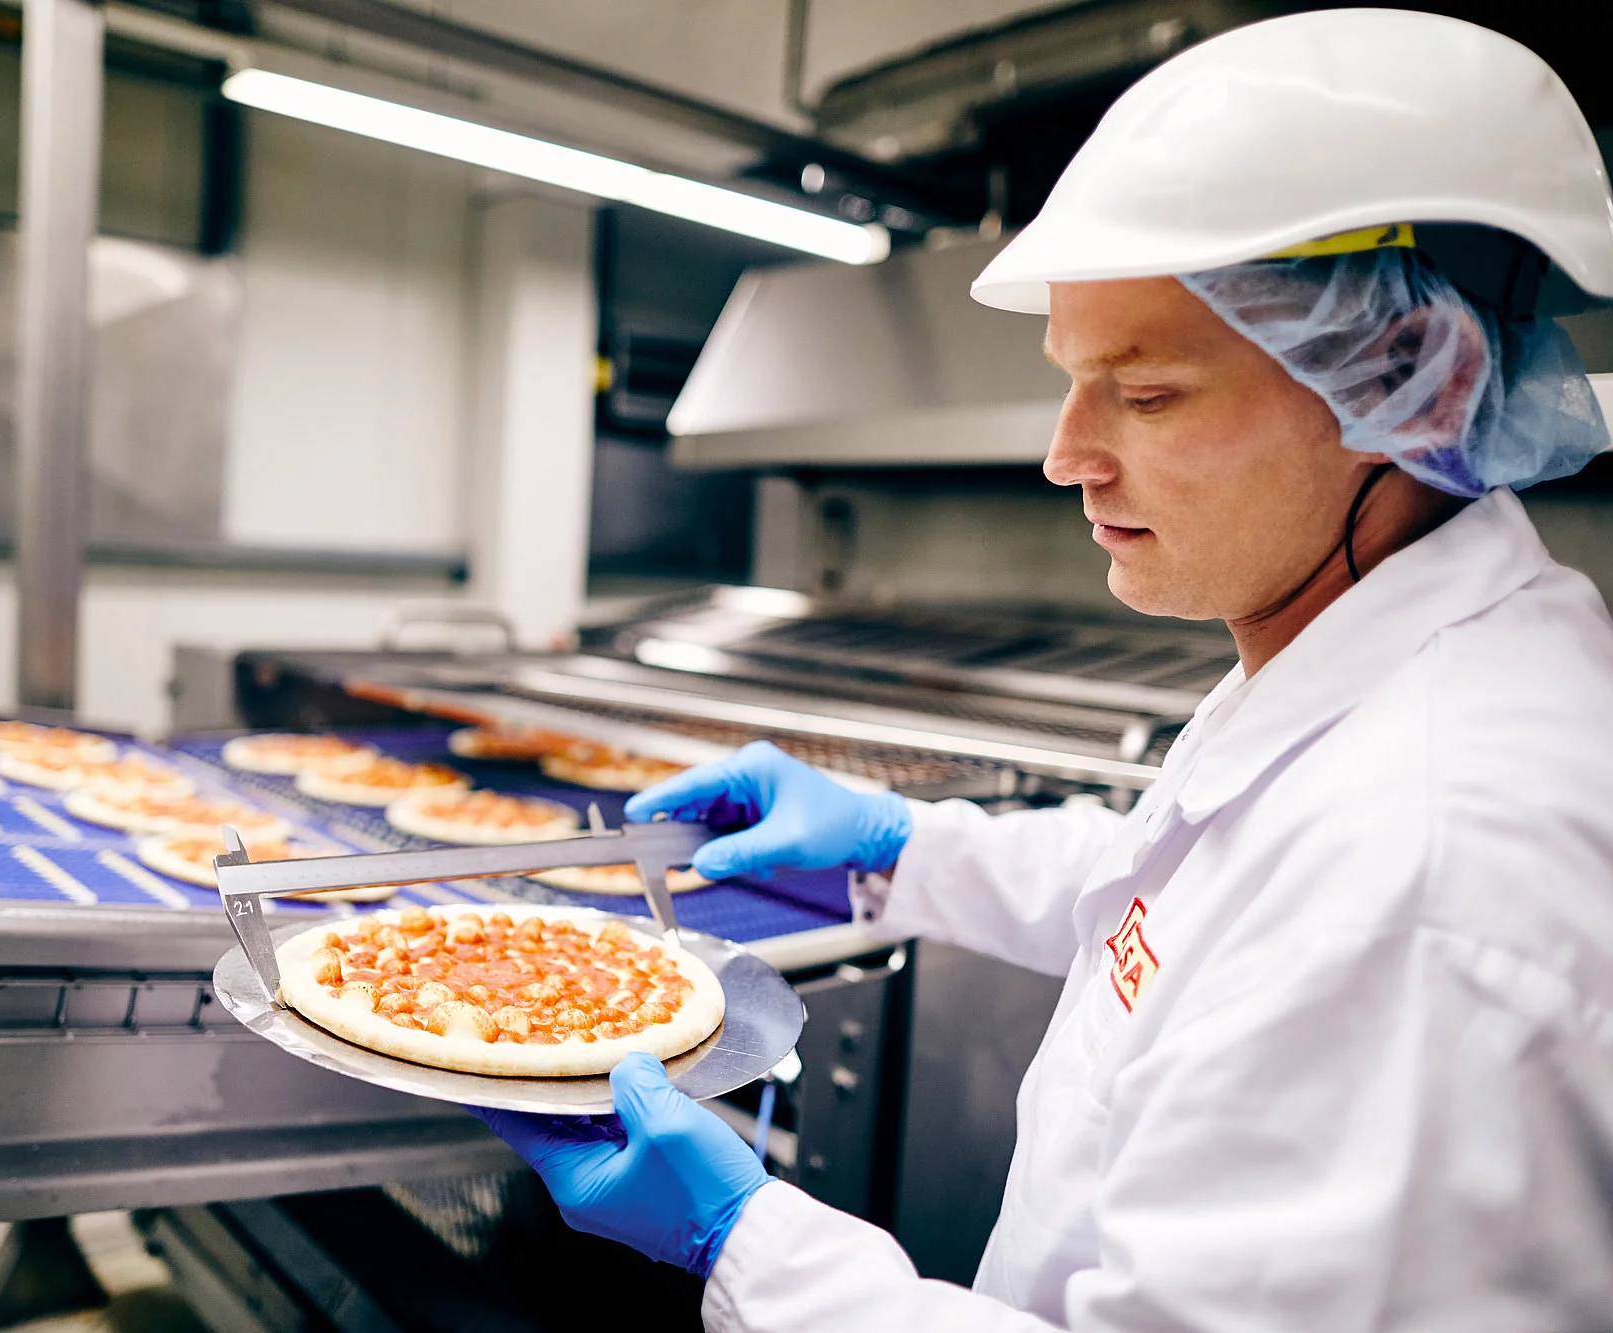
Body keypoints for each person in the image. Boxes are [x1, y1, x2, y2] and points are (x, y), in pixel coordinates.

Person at [473, 10, 1613, 1330]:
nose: (1066, 454)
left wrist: (745, 1244)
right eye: (1072, 383)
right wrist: (906, 848)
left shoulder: (1426, 871)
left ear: (1408, 382)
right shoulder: (1394, 653)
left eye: (1145, 395)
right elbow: (1212, 910)